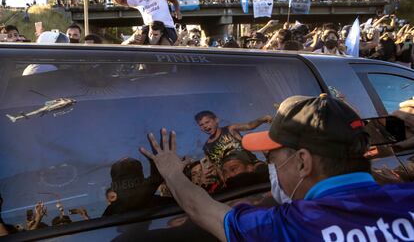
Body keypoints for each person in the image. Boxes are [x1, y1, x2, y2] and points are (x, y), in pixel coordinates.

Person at [139, 94, 414, 241]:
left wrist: (171, 170)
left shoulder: (292, 226)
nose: (270, 167)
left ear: (303, 162)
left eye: (272, 158)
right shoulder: (406, 196)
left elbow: (203, 210)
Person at [110, 0, 181, 43]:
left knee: (164, 47)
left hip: (167, 26)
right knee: (137, 41)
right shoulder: (136, 0)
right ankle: (127, 43)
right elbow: (122, 1)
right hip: (149, 27)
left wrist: (177, 11)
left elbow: (174, 0)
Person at [194, 110, 272, 166]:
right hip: (233, 178)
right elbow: (216, 167)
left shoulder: (230, 129)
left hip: (253, 166)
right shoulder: (206, 148)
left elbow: (249, 125)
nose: (205, 126)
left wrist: (263, 119)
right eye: (201, 125)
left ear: (216, 120)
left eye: (207, 122)